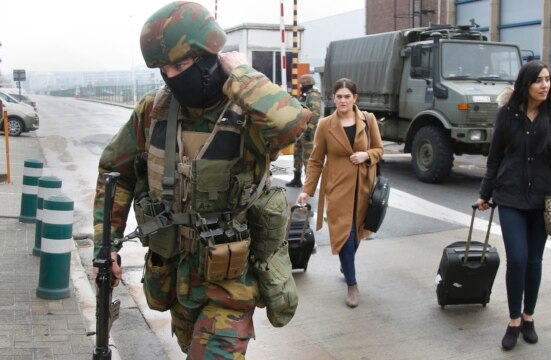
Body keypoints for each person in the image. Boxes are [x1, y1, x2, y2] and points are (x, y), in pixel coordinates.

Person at [91, 1, 310, 358]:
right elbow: (116, 173)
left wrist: (242, 75)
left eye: (182, 64)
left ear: (210, 56)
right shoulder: (153, 110)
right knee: (188, 348)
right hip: (175, 275)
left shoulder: (248, 109)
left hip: (231, 279)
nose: (173, 76)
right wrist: (108, 245)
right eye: (164, 68)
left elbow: (293, 123)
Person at [475, 60, 551, 350]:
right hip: (510, 196)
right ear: (525, 84)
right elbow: (495, 156)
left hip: (544, 197)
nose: (544, 85)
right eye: (538, 80)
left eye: (547, 79)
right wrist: (485, 192)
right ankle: (514, 320)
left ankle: (529, 317)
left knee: (534, 260)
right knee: (517, 259)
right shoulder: (508, 114)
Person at [296, 78, 384, 308]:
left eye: (347, 96)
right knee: (345, 234)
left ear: (355, 98)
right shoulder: (326, 125)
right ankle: (352, 285)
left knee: (356, 234)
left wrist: (367, 156)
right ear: (333, 98)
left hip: (364, 187)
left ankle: (347, 265)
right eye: (339, 96)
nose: (343, 100)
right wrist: (308, 190)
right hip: (337, 188)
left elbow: (379, 149)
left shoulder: (368, 119)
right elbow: (315, 160)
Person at [285, 73, 322, 187]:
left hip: (308, 133)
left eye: (302, 84)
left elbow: (315, 114)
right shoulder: (305, 95)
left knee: (308, 158)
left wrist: (310, 130)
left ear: (307, 85)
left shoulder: (313, 95)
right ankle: (297, 179)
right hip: (300, 132)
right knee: (297, 155)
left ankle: (309, 184)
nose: (301, 86)